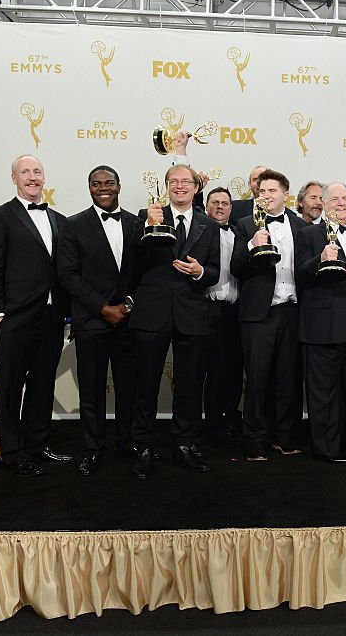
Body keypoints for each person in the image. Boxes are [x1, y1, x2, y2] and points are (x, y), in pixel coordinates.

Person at [0, 154, 71, 477]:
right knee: (10, 386)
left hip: (52, 316)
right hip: (16, 316)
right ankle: (11, 451)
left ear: (44, 178)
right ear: (14, 178)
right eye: (25, 172)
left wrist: (67, 315)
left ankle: (37, 445)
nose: (32, 177)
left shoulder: (59, 220)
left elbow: (63, 272)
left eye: (37, 172)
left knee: (43, 384)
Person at [129, 162, 221, 480]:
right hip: (152, 312)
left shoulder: (209, 226)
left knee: (190, 385)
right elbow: (134, 263)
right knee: (145, 385)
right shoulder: (148, 215)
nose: (180, 186)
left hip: (192, 314)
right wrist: (148, 229)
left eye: (186, 181)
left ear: (197, 188)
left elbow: (215, 272)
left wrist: (199, 272)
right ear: (167, 186)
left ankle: (185, 445)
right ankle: (141, 447)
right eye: (174, 181)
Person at [57, 165, 142, 476]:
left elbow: (144, 272)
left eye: (108, 183)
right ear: (89, 188)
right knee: (91, 389)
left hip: (129, 320)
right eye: (96, 183)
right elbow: (68, 276)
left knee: (127, 386)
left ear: (119, 186)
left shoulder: (137, 224)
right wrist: (103, 308)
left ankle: (125, 441)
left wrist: (128, 304)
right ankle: (93, 448)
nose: (103, 188)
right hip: (91, 320)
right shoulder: (73, 225)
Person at [296, 183, 346, 463]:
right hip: (324, 326)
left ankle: (338, 440)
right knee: (324, 391)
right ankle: (325, 448)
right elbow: (299, 273)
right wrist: (320, 259)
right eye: (335, 199)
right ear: (323, 203)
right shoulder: (309, 233)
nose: (341, 203)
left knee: (345, 389)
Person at [231, 169, 308, 461]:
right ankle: (253, 440)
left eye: (272, 191)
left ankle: (283, 437)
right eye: (262, 192)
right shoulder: (245, 224)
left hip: (292, 311)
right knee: (257, 380)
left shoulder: (302, 225)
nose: (266, 196)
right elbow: (236, 268)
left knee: (288, 379)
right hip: (258, 315)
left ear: (285, 195)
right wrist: (253, 244)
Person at [202, 187, 243, 446]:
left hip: (236, 311)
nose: (219, 207)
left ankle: (230, 419)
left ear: (231, 208)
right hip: (207, 310)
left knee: (234, 370)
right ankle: (212, 424)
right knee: (210, 372)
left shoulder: (240, 233)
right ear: (205, 206)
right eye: (214, 202)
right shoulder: (200, 231)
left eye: (224, 203)